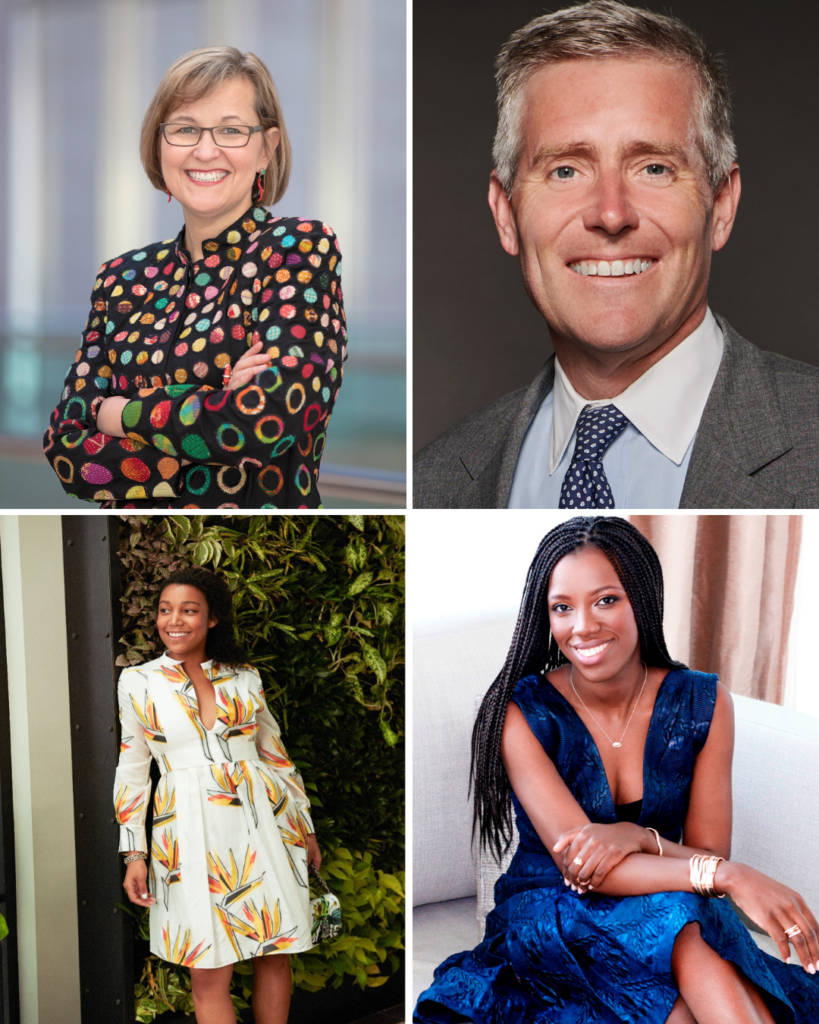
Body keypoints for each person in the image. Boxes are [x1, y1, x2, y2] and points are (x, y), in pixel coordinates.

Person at [413, 1, 819, 509]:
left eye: (654, 168)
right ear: (506, 214)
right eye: (565, 170)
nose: (610, 214)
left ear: (721, 206)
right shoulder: (433, 483)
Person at [414, 516, 819, 1023]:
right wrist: (729, 877)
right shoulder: (521, 713)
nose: (582, 626)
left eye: (606, 600)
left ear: (642, 599)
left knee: (682, 916)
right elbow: (582, 868)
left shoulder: (702, 702)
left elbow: (706, 853)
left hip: (669, 903)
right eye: (562, 608)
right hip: (556, 912)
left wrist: (638, 837)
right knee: (682, 918)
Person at [44, 47, 346, 509]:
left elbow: (270, 423)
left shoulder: (298, 248)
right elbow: (68, 451)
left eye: (231, 130)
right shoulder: (121, 279)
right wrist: (215, 405)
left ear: (267, 148)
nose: (206, 150)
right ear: (159, 146)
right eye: (185, 129)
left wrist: (118, 412)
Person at [115, 566, 321, 1024]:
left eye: (189, 610)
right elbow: (132, 771)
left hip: (265, 824)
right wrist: (134, 852)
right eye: (165, 610)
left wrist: (304, 827)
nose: (174, 620)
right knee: (207, 970)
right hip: (185, 831)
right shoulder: (138, 682)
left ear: (211, 619)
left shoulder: (245, 677)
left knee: (275, 951)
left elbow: (276, 755)